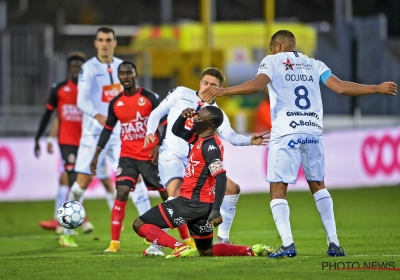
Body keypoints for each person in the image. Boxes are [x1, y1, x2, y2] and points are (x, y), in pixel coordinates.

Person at [201, 30, 398, 258]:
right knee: (318, 185)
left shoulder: (272, 61)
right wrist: (377, 88)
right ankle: (334, 243)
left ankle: (288, 245)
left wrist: (223, 91)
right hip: (313, 131)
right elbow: (341, 87)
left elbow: (257, 85)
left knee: (278, 188)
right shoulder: (314, 64)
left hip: (286, 132)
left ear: (278, 47)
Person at [144, 67, 269, 245]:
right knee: (176, 191)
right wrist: (150, 132)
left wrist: (249, 140)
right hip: (171, 155)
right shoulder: (181, 93)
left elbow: (231, 137)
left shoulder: (216, 114)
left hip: (195, 162)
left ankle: (223, 239)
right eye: (205, 83)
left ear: (219, 88)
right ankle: (155, 246)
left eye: (213, 85)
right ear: (200, 83)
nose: (207, 87)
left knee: (232, 189)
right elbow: (157, 112)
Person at [134, 106, 273, 258]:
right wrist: (182, 116)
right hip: (202, 206)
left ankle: (179, 247)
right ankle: (251, 250)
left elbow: (220, 176)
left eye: (199, 118)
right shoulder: (202, 139)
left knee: (139, 224)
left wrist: (216, 210)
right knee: (206, 251)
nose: (194, 118)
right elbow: (178, 132)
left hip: (190, 203)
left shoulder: (209, 146)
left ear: (211, 126)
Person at [62, 26, 151, 247]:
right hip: (94, 134)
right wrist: (98, 115)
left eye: (108, 40)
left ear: (114, 42)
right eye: (100, 40)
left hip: (119, 135)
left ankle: (152, 230)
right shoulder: (88, 68)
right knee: (82, 181)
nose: (104, 43)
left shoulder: (122, 67)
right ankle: (66, 232)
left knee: (136, 179)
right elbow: (82, 101)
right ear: (95, 43)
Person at [90, 61, 168, 254]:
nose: (125, 77)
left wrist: (159, 144)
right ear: (119, 77)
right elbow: (107, 130)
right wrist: (96, 154)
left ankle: (186, 238)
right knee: (122, 191)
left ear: (135, 74)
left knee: (166, 194)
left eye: (129, 73)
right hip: (128, 156)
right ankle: (114, 242)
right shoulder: (116, 103)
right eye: (122, 74)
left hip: (150, 155)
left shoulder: (150, 98)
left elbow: (164, 122)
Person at [37, 117, 115, 234]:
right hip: (79, 144)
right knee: (67, 180)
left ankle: (112, 219)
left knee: (82, 182)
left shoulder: (87, 103)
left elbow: (58, 118)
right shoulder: (78, 103)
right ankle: (65, 222)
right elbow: (59, 118)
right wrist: (50, 139)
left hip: (90, 144)